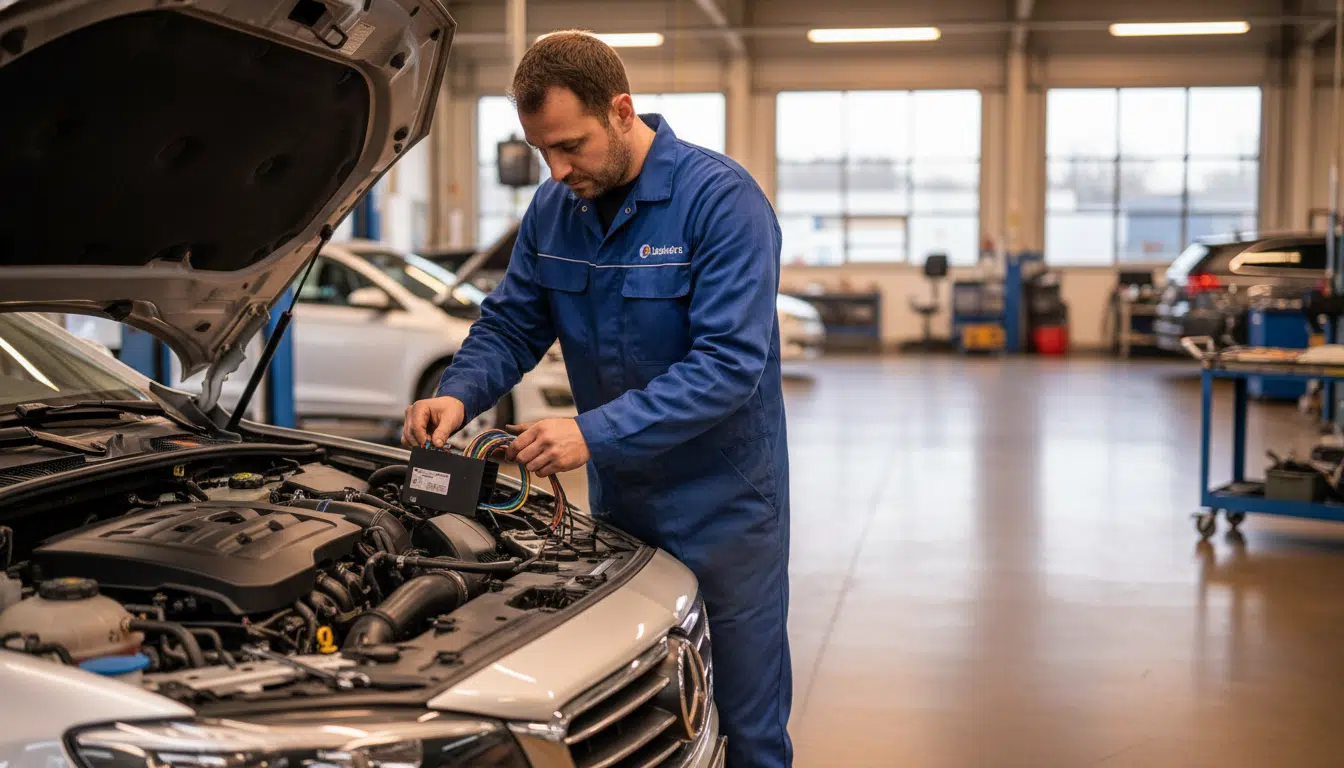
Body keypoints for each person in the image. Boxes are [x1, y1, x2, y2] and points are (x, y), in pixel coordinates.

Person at [402, 31, 792, 768]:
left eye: (571, 146)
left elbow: (729, 365)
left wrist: (592, 433)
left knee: (747, 721)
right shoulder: (555, 211)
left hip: (727, 512)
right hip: (618, 511)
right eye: (543, 151)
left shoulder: (721, 203)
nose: (557, 169)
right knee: (630, 715)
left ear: (621, 111)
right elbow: (512, 322)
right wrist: (457, 395)